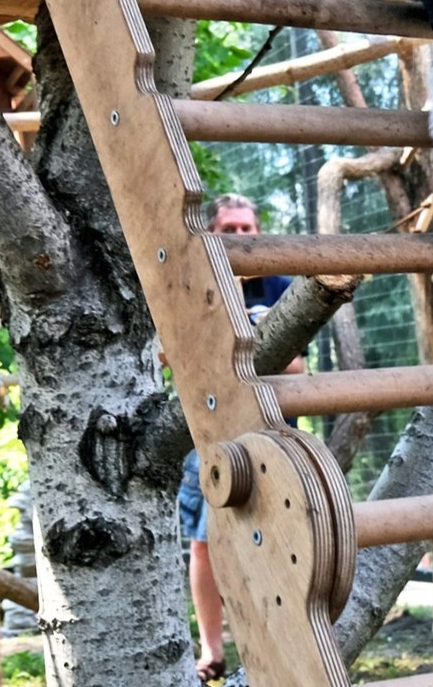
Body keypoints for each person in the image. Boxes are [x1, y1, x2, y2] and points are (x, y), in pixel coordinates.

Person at [179, 193, 300, 682]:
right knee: (205, 543)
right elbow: (176, 359)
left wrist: (230, 343)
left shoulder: (285, 285)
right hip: (208, 431)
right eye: (230, 229)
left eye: (248, 229)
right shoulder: (193, 283)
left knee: (275, 542)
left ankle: (276, 643)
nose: (241, 238)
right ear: (211, 234)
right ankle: (213, 651)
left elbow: (295, 364)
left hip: (272, 430)